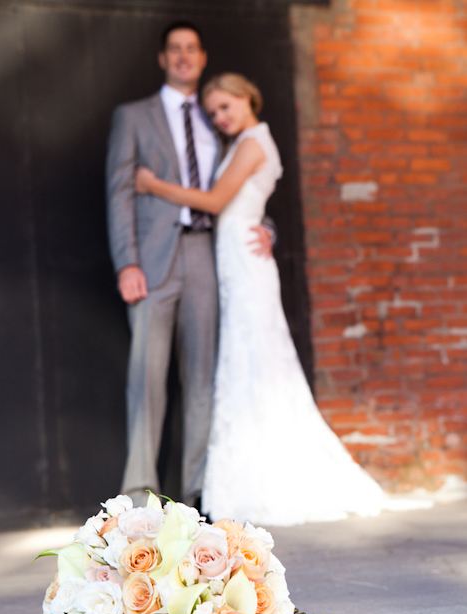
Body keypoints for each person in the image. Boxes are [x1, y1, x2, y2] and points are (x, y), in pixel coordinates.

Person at [135, 73, 391, 526]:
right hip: (233, 262)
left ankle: (265, 476)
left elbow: (215, 201)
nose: (220, 117)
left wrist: (154, 185)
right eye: (213, 112)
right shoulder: (244, 143)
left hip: (246, 266)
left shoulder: (253, 142)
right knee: (243, 361)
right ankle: (245, 471)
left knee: (256, 359)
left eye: (225, 107)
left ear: (246, 97)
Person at [106, 24, 273, 509]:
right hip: (152, 260)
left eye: (191, 49)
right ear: (163, 58)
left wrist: (270, 231)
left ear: (202, 58)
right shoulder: (132, 116)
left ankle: (200, 492)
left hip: (207, 255)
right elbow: (119, 193)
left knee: (203, 378)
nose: (183, 57)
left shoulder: (218, 118)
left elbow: (244, 188)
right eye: (174, 49)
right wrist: (126, 262)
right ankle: (139, 493)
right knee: (147, 376)